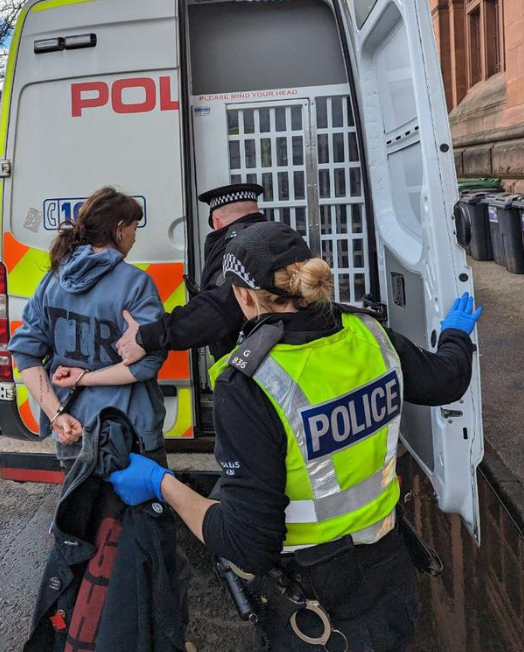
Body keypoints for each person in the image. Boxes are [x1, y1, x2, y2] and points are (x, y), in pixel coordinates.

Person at [107, 220, 481, 652]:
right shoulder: (369, 334)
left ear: (243, 296)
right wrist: (456, 335)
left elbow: (247, 545)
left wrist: (161, 483)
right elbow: (446, 380)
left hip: (316, 604)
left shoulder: (249, 383)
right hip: (389, 573)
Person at [7, 186, 168, 464]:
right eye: (133, 228)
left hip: (72, 431)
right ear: (119, 230)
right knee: (141, 508)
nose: (134, 236)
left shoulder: (51, 280)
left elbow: (25, 353)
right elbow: (146, 363)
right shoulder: (136, 284)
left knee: (80, 508)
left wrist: (57, 416)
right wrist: (83, 377)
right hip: (130, 432)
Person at [117, 182, 266, 365]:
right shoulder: (281, 237)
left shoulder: (236, 248)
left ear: (216, 222)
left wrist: (148, 336)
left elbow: (216, 309)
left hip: (255, 368)